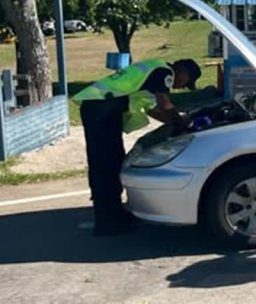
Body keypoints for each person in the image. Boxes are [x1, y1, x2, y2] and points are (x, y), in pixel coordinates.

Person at [73, 58, 201, 236]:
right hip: (101, 109)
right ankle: (106, 221)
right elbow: (165, 105)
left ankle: (115, 213)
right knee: (105, 163)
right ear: (183, 72)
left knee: (115, 159)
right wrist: (182, 122)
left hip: (102, 109)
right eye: (187, 82)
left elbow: (153, 110)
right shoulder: (163, 72)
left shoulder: (152, 75)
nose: (182, 87)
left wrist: (175, 125)